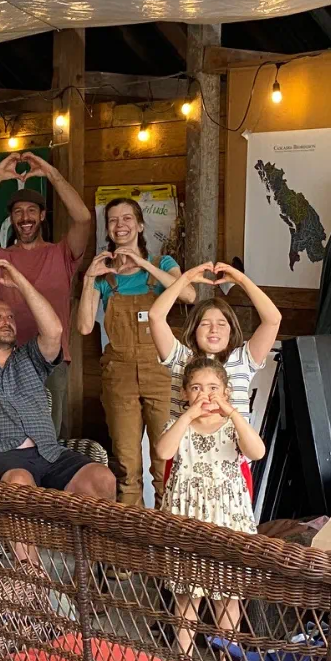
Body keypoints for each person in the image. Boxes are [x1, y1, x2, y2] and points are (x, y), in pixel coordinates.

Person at [0, 259, 115, 500]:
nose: (7, 321)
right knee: (20, 484)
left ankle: (87, 540)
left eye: (10, 317)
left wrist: (20, 282)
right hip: (1, 455)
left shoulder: (29, 357)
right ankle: (30, 540)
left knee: (103, 478)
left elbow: (54, 332)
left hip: (50, 452)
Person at [76, 198, 194, 507]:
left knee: (164, 462)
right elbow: (85, 326)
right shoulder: (105, 276)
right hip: (120, 376)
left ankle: (167, 538)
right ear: (108, 229)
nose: (120, 225)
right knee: (127, 467)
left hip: (161, 373)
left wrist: (143, 264)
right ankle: (134, 544)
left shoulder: (162, 264)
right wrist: (90, 276)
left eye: (127, 218)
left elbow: (189, 293)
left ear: (140, 225)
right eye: (113, 220)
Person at [0, 152, 92, 433]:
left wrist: (52, 174)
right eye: (18, 212)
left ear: (42, 215)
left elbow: (82, 218)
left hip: (51, 359)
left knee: (49, 433)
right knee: (8, 433)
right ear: (11, 218)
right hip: (6, 358)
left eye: (32, 211)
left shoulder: (62, 254)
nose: (25, 217)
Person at [152, 357, 264, 656]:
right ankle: (183, 658)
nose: (206, 395)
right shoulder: (179, 425)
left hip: (227, 516)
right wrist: (187, 416)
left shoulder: (233, 427)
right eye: (197, 388)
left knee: (227, 593)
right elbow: (163, 451)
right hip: (187, 515)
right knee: (187, 591)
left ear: (226, 392)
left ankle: (228, 659)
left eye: (214, 387)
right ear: (185, 394)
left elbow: (257, 451)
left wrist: (234, 414)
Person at [150, 262, 281, 426]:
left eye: (221, 324)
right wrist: (185, 279)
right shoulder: (180, 357)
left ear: (231, 330)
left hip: (231, 448)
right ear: (194, 330)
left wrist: (241, 280)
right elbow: (155, 317)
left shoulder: (244, 359)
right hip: (184, 449)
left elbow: (273, 320)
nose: (214, 330)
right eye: (205, 324)